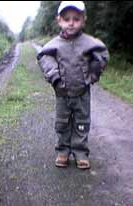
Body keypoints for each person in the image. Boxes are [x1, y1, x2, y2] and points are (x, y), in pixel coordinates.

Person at [37, 1, 109, 169]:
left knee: (82, 122)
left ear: (83, 20)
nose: (71, 23)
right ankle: (62, 151)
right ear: (59, 20)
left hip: (82, 93)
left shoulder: (90, 43)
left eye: (76, 19)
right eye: (67, 19)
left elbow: (102, 55)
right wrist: (54, 77)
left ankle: (81, 152)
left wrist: (93, 74)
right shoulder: (54, 44)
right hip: (61, 93)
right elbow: (43, 57)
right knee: (62, 123)